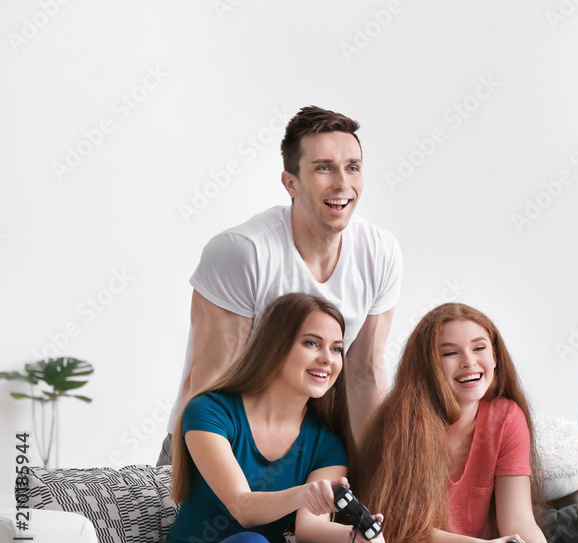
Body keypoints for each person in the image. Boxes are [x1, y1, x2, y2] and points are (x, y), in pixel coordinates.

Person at [139, 293, 385, 543]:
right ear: (275, 345)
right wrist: (304, 493)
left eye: (336, 348)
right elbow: (243, 507)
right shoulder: (210, 411)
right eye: (311, 343)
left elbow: (308, 530)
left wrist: (351, 538)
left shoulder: (326, 441)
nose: (327, 359)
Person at [157, 105, 402, 465]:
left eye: (353, 167)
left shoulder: (379, 252)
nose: (342, 183)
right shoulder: (243, 252)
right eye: (323, 168)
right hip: (209, 449)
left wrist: (374, 472)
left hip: (303, 455)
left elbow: (364, 375)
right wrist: (235, 491)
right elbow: (210, 385)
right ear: (291, 183)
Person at [350, 303, 574, 543]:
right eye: (450, 353)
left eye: (479, 347)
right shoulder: (401, 418)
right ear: (428, 365)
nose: (469, 361)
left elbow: (517, 521)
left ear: (496, 356)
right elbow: (408, 534)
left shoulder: (506, 417)